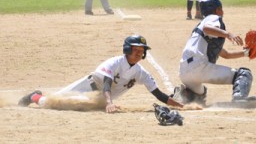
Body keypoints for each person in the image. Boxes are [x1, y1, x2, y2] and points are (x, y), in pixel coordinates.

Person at [18, 35, 183, 113]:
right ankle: (34, 97)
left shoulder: (141, 73)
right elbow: (106, 83)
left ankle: (39, 98)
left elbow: (158, 94)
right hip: (87, 86)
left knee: (79, 106)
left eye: (142, 51)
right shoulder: (114, 62)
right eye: (136, 50)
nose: (140, 53)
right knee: (53, 103)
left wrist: (180, 105)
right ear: (127, 50)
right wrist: (109, 102)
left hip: (100, 100)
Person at [173, 0, 256, 105]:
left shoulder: (201, 34)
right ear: (217, 10)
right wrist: (228, 34)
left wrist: (246, 53)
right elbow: (207, 28)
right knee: (244, 74)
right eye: (221, 8)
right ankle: (239, 98)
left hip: (184, 72)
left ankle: (184, 95)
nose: (223, 11)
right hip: (199, 66)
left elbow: (225, 54)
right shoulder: (212, 18)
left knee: (200, 95)